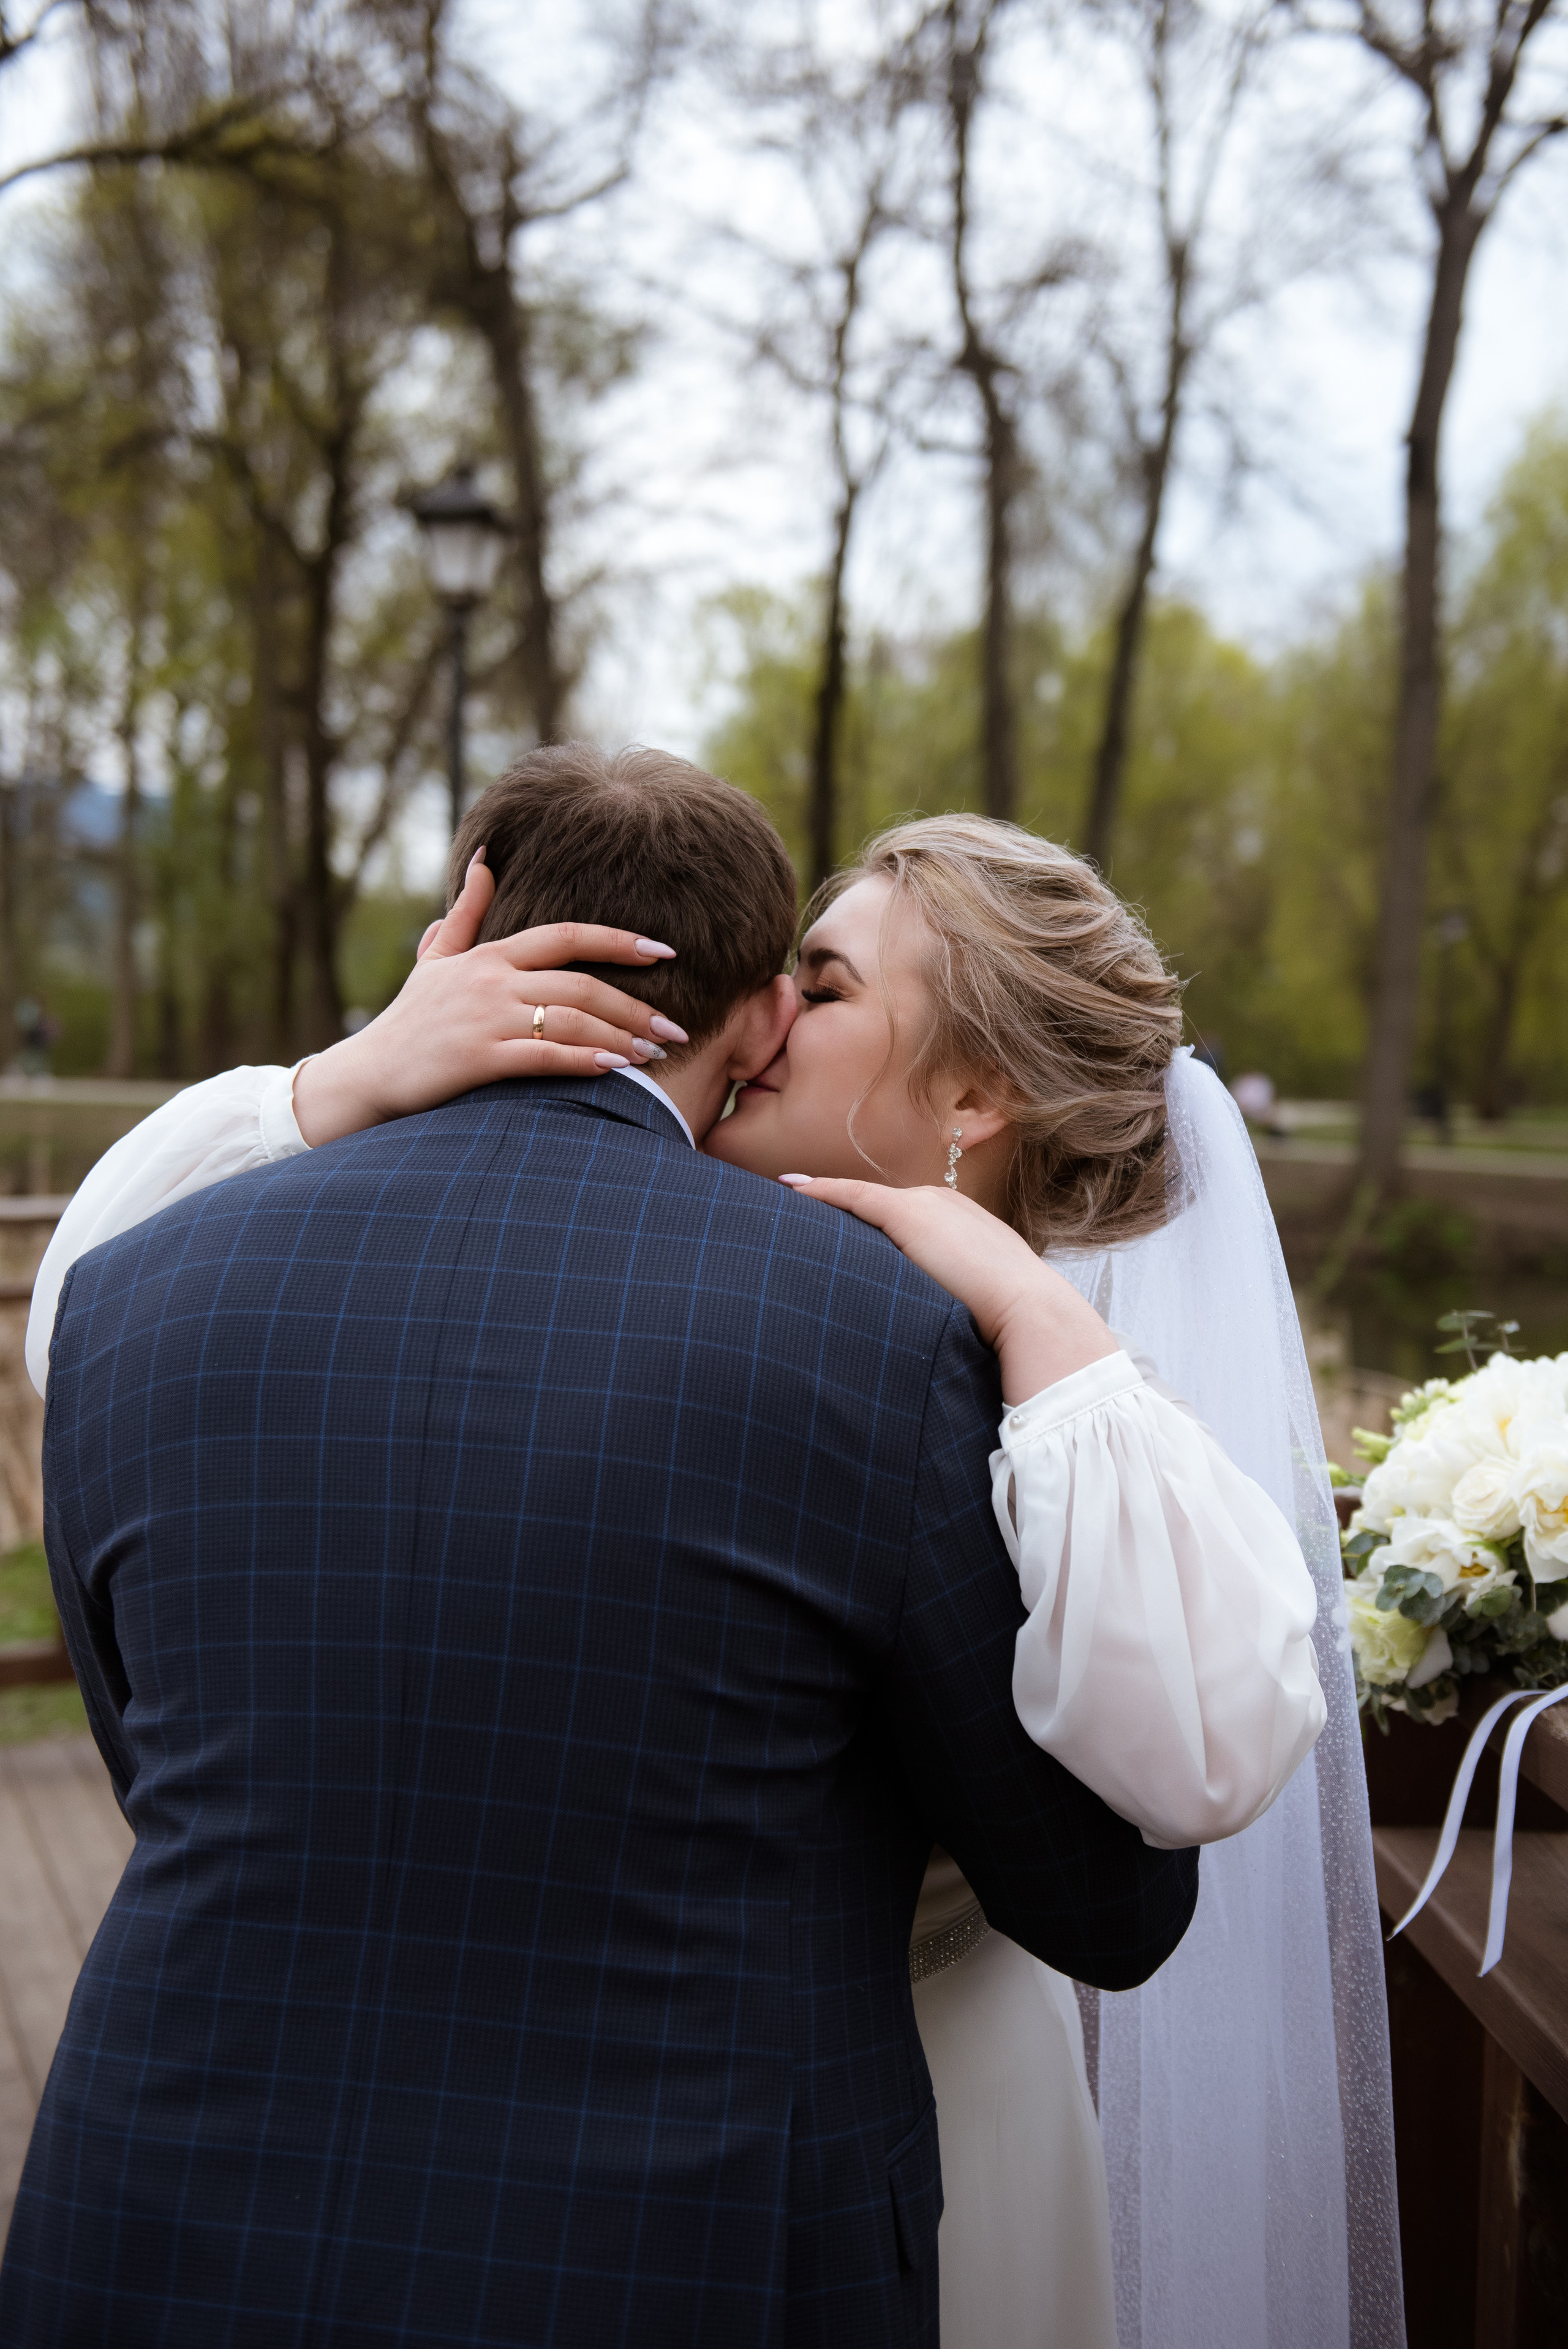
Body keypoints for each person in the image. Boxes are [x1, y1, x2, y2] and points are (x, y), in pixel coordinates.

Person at [16, 752, 1403, 2349]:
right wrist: (356, 1070)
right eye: (786, 976)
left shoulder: (148, 1289)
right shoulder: (862, 1341)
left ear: (974, 1100)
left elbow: (151, 1742)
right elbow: (1111, 1897)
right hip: (687, 2224)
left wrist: (1032, 1310)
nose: (780, 1015)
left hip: (185, 2215)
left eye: (826, 981)